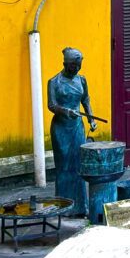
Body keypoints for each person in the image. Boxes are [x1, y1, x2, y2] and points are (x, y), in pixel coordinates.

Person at [47, 47, 97, 216]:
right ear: (65, 64)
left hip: (77, 127)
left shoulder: (81, 80)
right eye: (73, 66)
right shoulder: (54, 82)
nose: (76, 69)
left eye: (78, 66)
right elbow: (51, 105)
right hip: (61, 129)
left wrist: (91, 118)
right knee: (64, 167)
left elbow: (85, 99)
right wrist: (66, 111)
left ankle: (80, 207)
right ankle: (64, 207)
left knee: (78, 165)